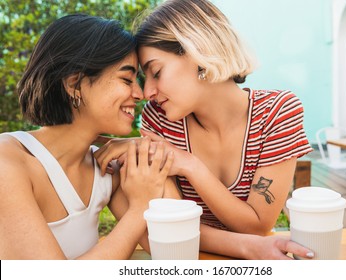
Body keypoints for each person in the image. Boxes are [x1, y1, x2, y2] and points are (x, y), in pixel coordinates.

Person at [95, 0, 314, 259]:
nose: (147, 92)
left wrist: (189, 165)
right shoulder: (161, 119)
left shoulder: (277, 113)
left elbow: (256, 225)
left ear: (199, 52)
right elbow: (170, 228)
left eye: (156, 71)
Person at [0, 14, 174, 259]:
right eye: (126, 79)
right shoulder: (8, 162)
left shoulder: (105, 168)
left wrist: (153, 150)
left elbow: (171, 246)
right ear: (74, 84)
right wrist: (139, 208)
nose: (140, 94)